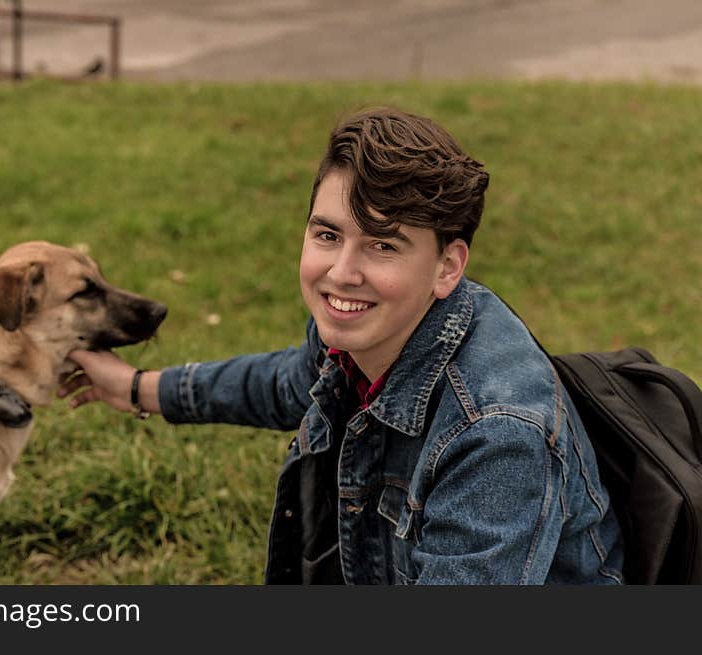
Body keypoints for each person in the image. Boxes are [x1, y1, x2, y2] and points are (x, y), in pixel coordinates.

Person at [58, 107, 624, 585]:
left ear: (447, 266)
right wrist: (134, 387)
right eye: (328, 235)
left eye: (382, 245)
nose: (341, 273)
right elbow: (287, 385)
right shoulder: (364, 333)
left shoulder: (494, 434)